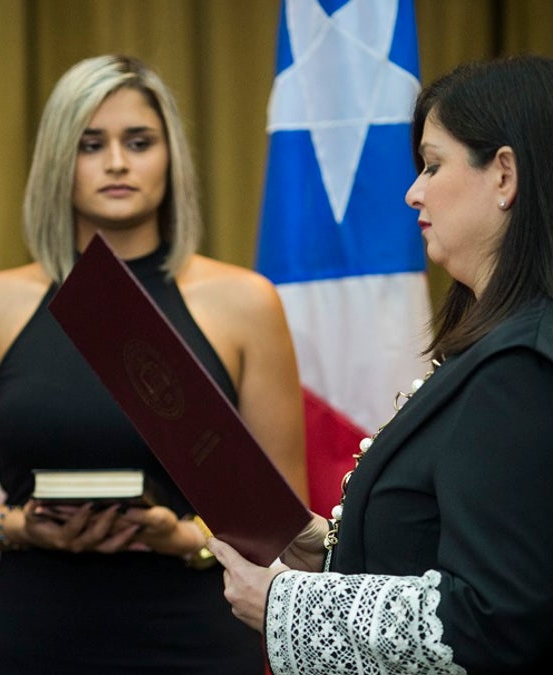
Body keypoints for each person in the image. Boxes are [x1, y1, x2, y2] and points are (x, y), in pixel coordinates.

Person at [0, 54, 308, 674]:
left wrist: (185, 539)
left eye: (139, 142)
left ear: (171, 156)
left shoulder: (245, 303)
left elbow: (285, 525)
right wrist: (22, 526)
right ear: (56, 161)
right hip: (35, 639)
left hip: (197, 641)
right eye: (90, 144)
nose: (117, 162)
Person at [211, 55, 553, 674]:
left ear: (504, 175)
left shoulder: (520, 367)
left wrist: (285, 603)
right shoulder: (502, 346)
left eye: (433, 164)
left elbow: (494, 616)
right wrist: (330, 550)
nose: (413, 191)